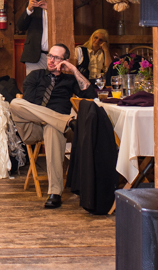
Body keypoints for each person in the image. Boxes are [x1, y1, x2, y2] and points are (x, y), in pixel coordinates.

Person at [10, 42, 96, 209]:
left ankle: (55, 193)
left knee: (51, 129)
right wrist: (64, 120)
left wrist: (74, 70)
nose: (51, 60)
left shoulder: (70, 80)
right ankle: (67, 122)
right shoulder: (35, 76)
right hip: (32, 127)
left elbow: (91, 94)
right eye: (50, 55)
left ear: (65, 60)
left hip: (56, 129)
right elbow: (30, 104)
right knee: (15, 103)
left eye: (56, 57)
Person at [16, 0, 47, 74]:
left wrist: (50, 8)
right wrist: (29, 10)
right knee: (33, 86)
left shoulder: (60, 5)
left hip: (55, 56)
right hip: (35, 55)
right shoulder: (33, 5)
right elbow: (21, 27)